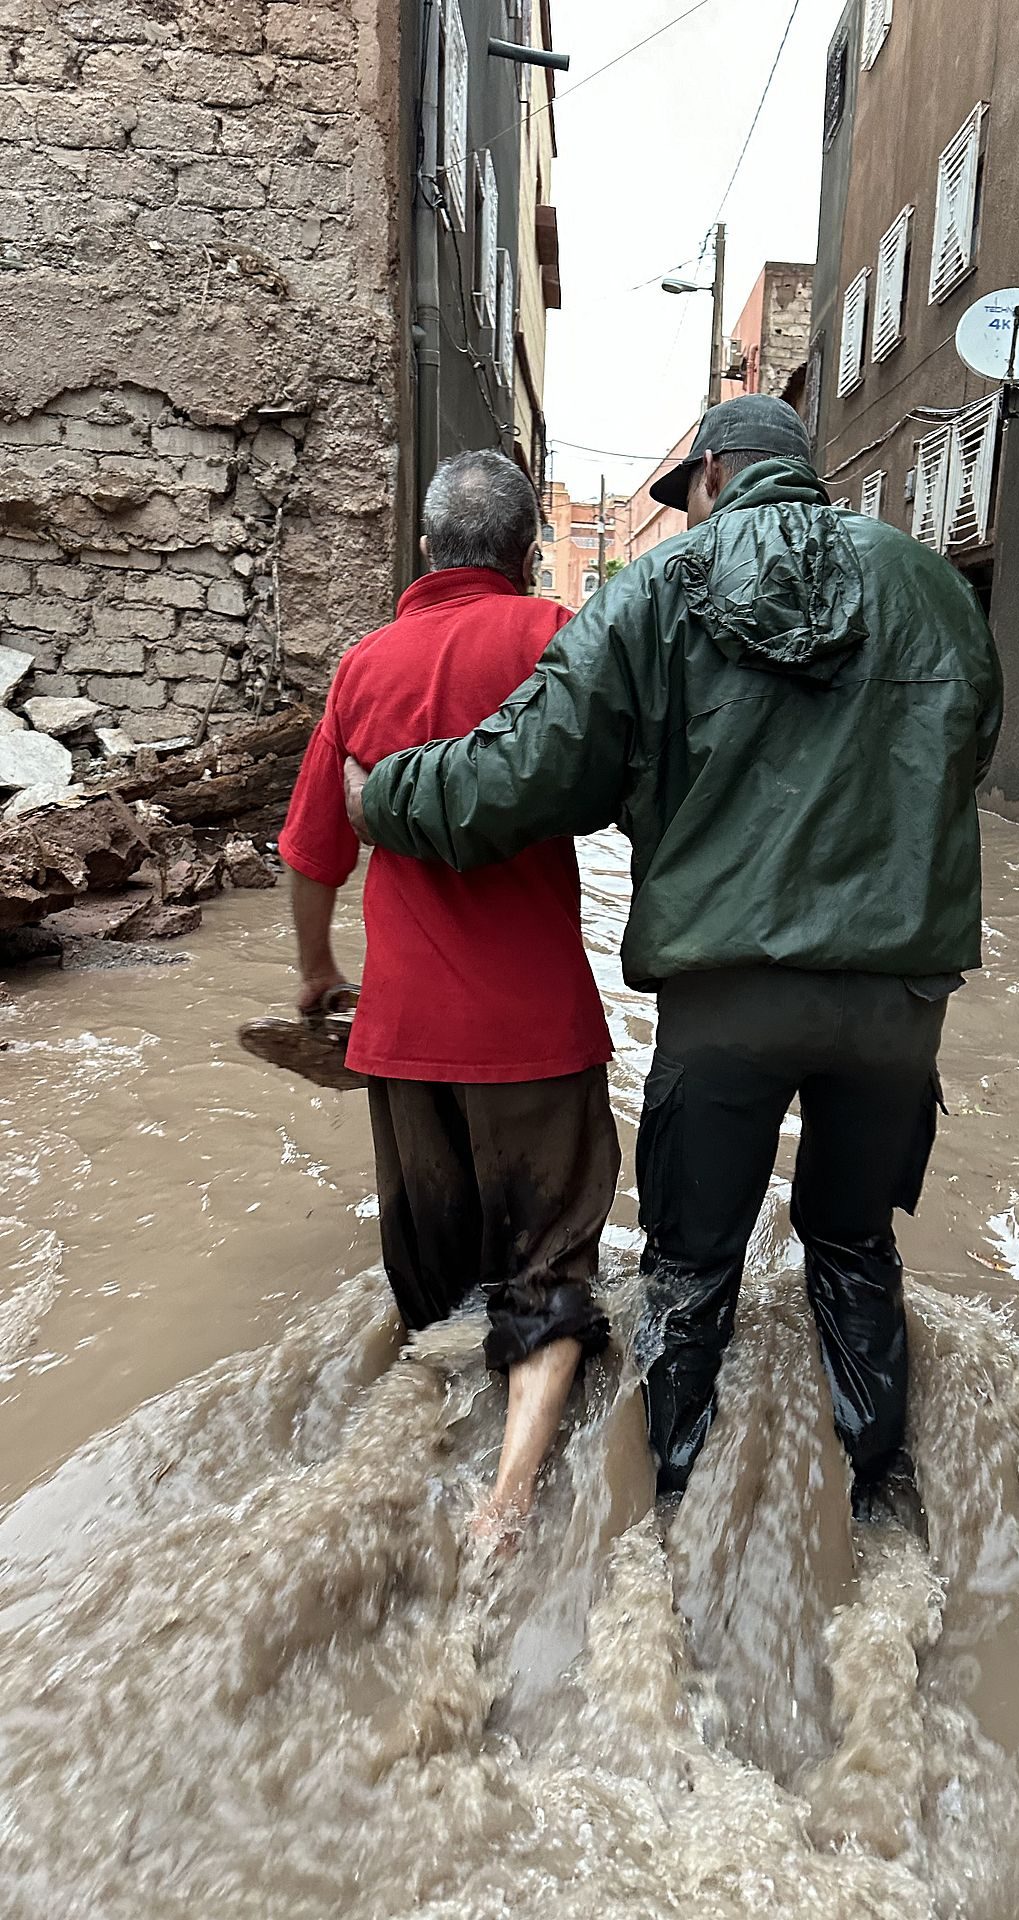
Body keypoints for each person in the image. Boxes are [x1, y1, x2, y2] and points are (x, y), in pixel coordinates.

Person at [343, 395, 1002, 1509]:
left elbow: (526, 767)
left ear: (707, 480)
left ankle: (663, 1516)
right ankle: (878, 1499)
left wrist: (386, 794)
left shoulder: (657, 592)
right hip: (895, 999)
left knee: (691, 1268)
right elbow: (965, 750)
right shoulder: (930, 587)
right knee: (851, 1248)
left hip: (724, 995)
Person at [277, 449, 619, 1542]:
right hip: (534, 1033)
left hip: (403, 1039)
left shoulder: (362, 665)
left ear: (425, 548)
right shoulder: (554, 639)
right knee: (549, 1275)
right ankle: (509, 1498)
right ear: (526, 550)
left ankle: (410, 1482)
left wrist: (317, 974)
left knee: (438, 1297)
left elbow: (310, 852)